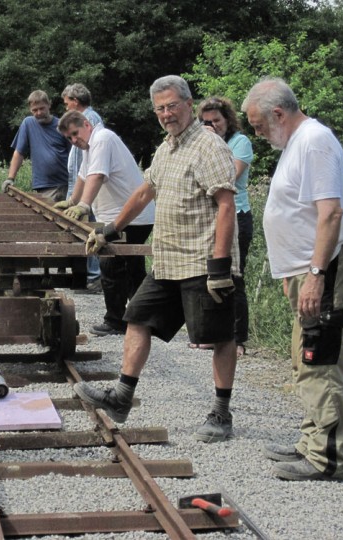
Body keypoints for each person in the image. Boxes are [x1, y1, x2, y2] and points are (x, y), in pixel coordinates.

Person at [73, 75, 240, 443]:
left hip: (202, 259)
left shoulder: (209, 146)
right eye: (160, 109)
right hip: (168, 260)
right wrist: (111, 228)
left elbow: (226, 206)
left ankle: (221, 413)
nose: (167, 114)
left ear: (188, 104)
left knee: (218, 336)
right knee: (136, 319)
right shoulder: (166, 148)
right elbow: (145, 190)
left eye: (172, 106)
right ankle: (121, 397)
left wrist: (220, 265)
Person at [241, 77, 343, 481]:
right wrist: (291, 272)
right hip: (305, 271)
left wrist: (313, 275)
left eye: (258, 125)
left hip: (321, 270)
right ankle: (310, 442)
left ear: (278, 113)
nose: (257, 134)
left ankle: (326, 459)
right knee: (303, 358)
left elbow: (330, 214)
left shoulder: (315, 141)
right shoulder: (298, 144)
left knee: (320, 359)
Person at [56, 110, 155, 336]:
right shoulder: (90, 146)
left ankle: (116, 321)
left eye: (75, 133)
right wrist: (72, 201)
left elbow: (97, 176)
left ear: (86, 124)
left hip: (128, 218)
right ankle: (145, 317)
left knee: (111, 265)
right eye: (69, 138)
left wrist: (84, 206)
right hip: (129, 217)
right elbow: (83, 176)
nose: (74, 140)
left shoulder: (102, 139)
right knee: (131, 269)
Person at [194, 97, 254, 357]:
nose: (211, 125)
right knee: (207, 275)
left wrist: (213, 141)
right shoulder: (198, 143)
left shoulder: (240, 142)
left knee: (233, 277)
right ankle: (211, 334)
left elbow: (231, 175)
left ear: (227, 120)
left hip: (236, 214)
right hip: (208, 216)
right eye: (206, 122)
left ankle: (238, 338)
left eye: (216, 120)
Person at [61, 83, 104, 293]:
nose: (65, 106)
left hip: (87, 186)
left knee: (89, 228)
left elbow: (89, 163)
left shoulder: (89, 120)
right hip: (81, 183)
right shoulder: (88, 118)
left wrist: (79, 199)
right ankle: (90, 275)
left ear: (75, 101)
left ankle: (94, 277)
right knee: (85, 228)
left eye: (66, 102)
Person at [2, 90, 70, 203]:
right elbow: (19, 152)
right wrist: (10, 178)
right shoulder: (28, 124)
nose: (38, 113)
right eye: (35, 110)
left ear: (49, 105)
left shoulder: (61, 125)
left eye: (42, 108)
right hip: (42, 184)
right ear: (30, 109)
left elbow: (73, 153)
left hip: (63, 183)